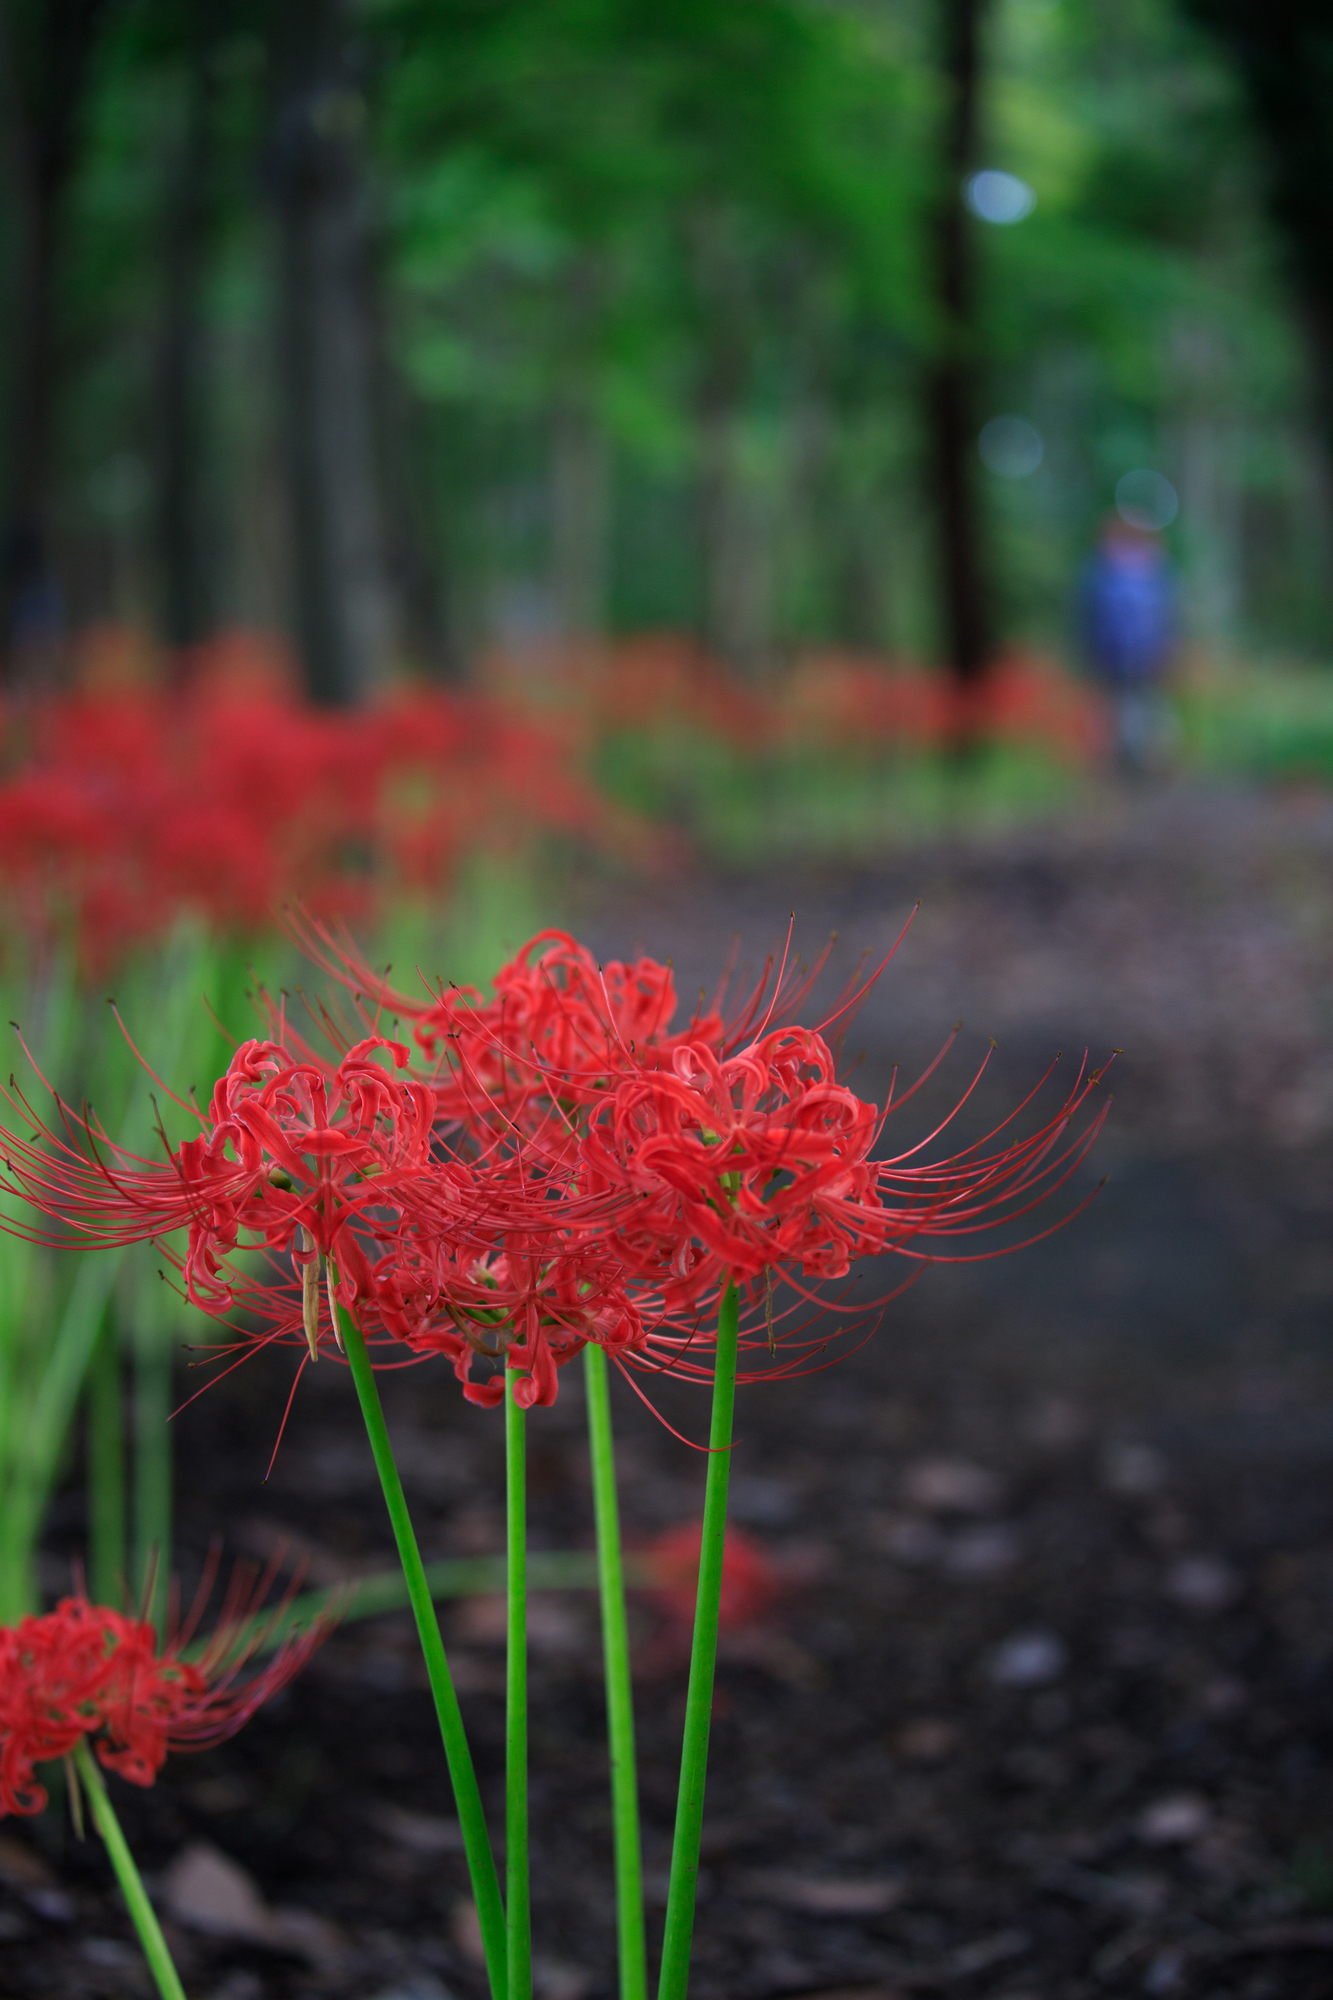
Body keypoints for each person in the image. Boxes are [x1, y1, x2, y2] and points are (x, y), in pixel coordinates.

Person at [1079, 514, 1177, 773]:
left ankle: (1138, 759)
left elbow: (1087, 615)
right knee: (1134, 706)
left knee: (1131, 706)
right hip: (1131, 653)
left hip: (1125, 653)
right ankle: (1138, 759)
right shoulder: (1151, 570)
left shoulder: (1104, 571)